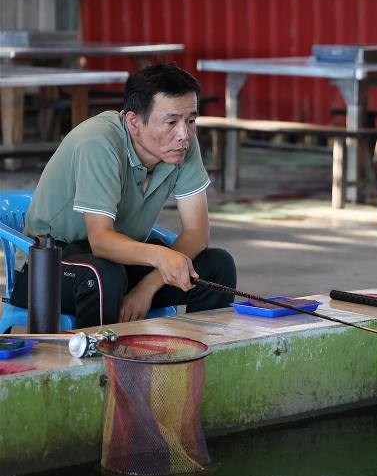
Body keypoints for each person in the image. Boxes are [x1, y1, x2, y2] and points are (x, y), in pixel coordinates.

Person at [11, 63, 236, 328]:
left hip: (122, 259)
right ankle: (97, 366)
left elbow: (197, 232)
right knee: (102, 274)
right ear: (133, 122)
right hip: (49, 265)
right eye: (171, 121)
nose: (184, 134)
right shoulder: (99, 142)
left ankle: (192, 359)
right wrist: (160, 258)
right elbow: (101, 241)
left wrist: (147, 287)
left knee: (217, 266)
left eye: (191, 120)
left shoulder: (184, 145)